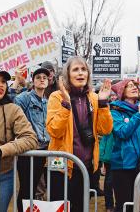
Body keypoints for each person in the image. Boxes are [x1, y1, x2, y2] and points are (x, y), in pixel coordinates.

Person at [46, 56, 113, 212]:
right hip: (61, 167)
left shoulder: (95, 98)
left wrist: (103, 104)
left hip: (86, 168)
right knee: (60, 208)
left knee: (80, 208)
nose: (80, 73)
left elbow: (105, 130)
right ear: (67, 74)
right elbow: (54, 130)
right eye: (75, 69)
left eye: (84, 69)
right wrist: (66, 104)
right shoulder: (57, 97)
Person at [0, 65, 38, 212]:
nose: (0, 85)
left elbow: (30, 138)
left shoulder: (13, 109)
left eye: (3, 81)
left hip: (1, 178)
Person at [109, 79, 140, 212]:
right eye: (129, 86)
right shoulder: (115, 110)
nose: (134, 88)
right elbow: (122, 133)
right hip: (123, 166)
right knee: (125, 205)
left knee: (135, 201)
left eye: (135, 86)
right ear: (121, 92)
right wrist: (139, 114)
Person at [14, 68, 51, 212]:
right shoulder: (25, 98)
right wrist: (17, 81)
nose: (42, 79)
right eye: (38, 77)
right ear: (33, 81)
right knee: (26, 188)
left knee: (38, 187)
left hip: (45, 151)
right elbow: (14, 112)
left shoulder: (48, 102)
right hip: (29, 151)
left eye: (45, 77)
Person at [100, 90, 118, 212]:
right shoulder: (109, 114)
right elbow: (105, 138)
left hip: (122, 155)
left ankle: (119, 205)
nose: (113, 97)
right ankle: (109, 206)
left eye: (115, 95)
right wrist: (102, 159)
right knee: (109, 182)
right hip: (110, 156)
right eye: (111, 95)